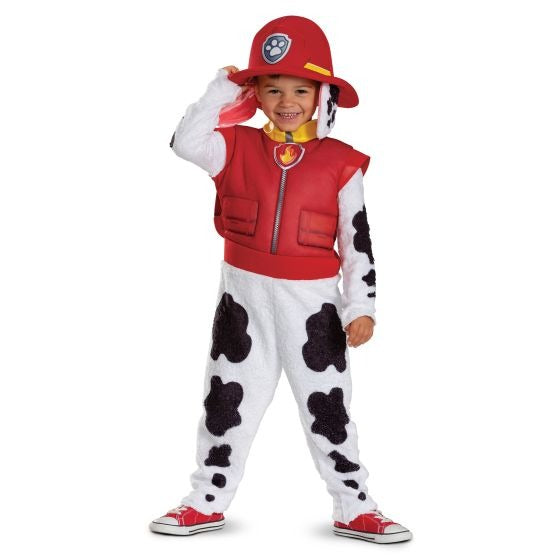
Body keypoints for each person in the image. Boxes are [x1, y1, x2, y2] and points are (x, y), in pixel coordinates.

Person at [149, 15, 412, 544]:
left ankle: (354, 504)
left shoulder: (342, 164)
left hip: (311, 307)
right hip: (242, 299)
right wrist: (224, 88)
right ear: (256, 94)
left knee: (328, 407)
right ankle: (206, 498)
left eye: (300, 90)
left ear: (321, 96)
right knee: (225, 402)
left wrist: (361, 307)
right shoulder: (233, 147)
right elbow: (184, 141)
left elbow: (356, 242)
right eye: (272, 89)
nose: (286, 100)